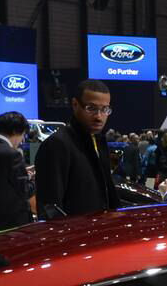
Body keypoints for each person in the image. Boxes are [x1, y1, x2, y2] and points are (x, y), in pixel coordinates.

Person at [33, 79, 119, 219]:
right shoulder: (57, 144)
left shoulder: (99, 141)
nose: (99, 116)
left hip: (100, 228)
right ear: (75, 104)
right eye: (91, 108)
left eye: (104, 109)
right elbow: (50, 207)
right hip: (76, 231)